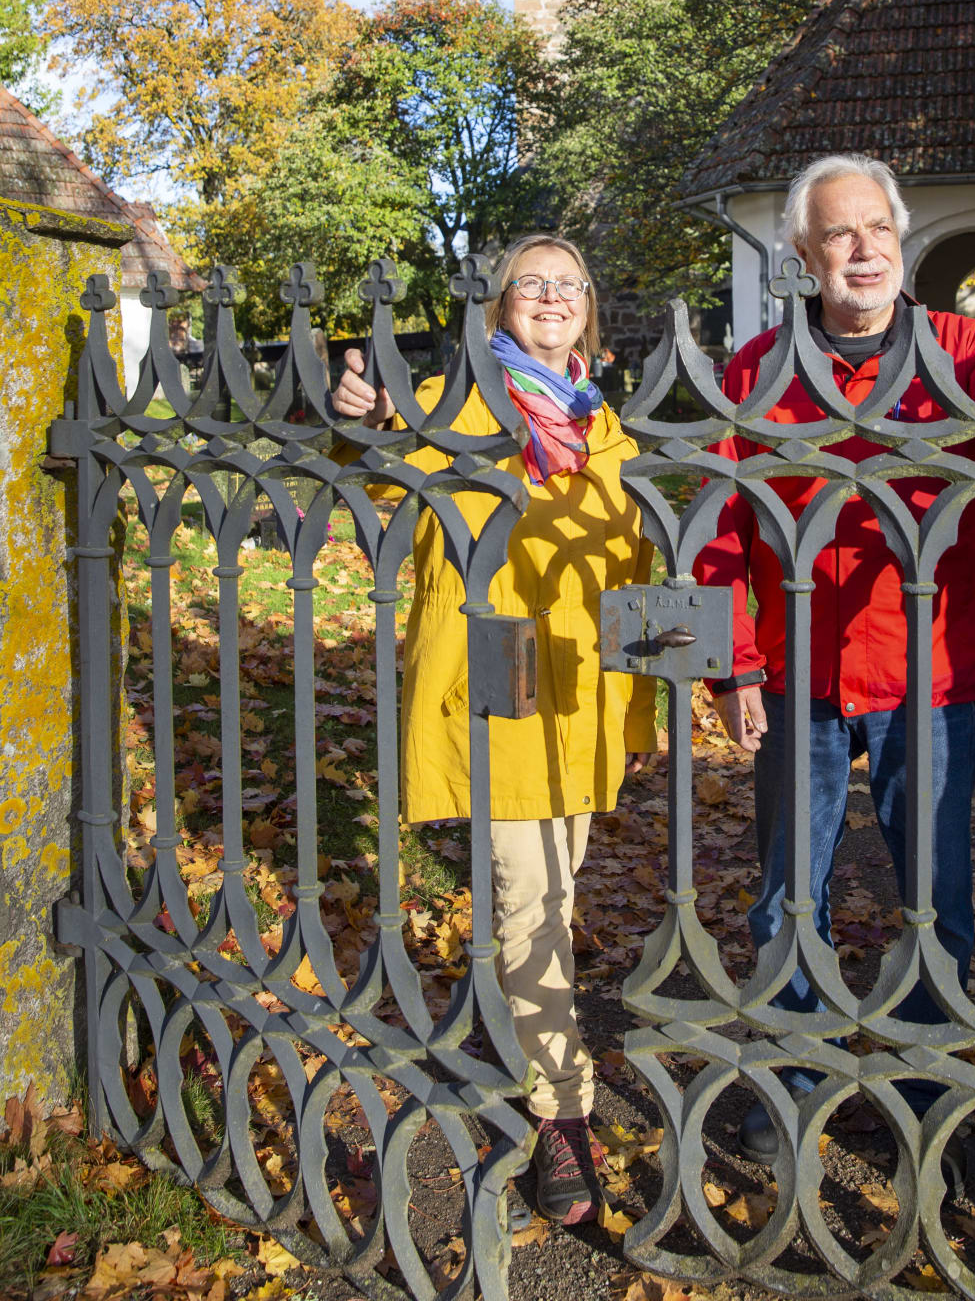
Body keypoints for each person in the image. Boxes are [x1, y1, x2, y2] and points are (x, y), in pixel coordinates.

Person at [695, 155, 975, 1166]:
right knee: (790, 891)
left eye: (878, 228)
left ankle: (928, 1084)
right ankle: (787, 1079)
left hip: (925, 674)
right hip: (799, 678)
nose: (863, 249)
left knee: (934, 892)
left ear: (900, 239)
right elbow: (717, 532)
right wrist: (733, 666)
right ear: (801, 253)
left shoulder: (963, 352)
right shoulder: (755, 370)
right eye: (839, 233)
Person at [333, 235, 655, 1225]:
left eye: (569, 284)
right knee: (528, 895)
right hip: (501, 672)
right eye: (532, 283)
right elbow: (383, 487)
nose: (551, 296)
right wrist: (366, 424)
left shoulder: (606, 425)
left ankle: (531, 1034)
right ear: (498, 306)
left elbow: (636, 555)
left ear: (587, 311)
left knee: (552, 891)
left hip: (586, 683)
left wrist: (660, 687)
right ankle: (562, 1117)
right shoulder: (455, 404)